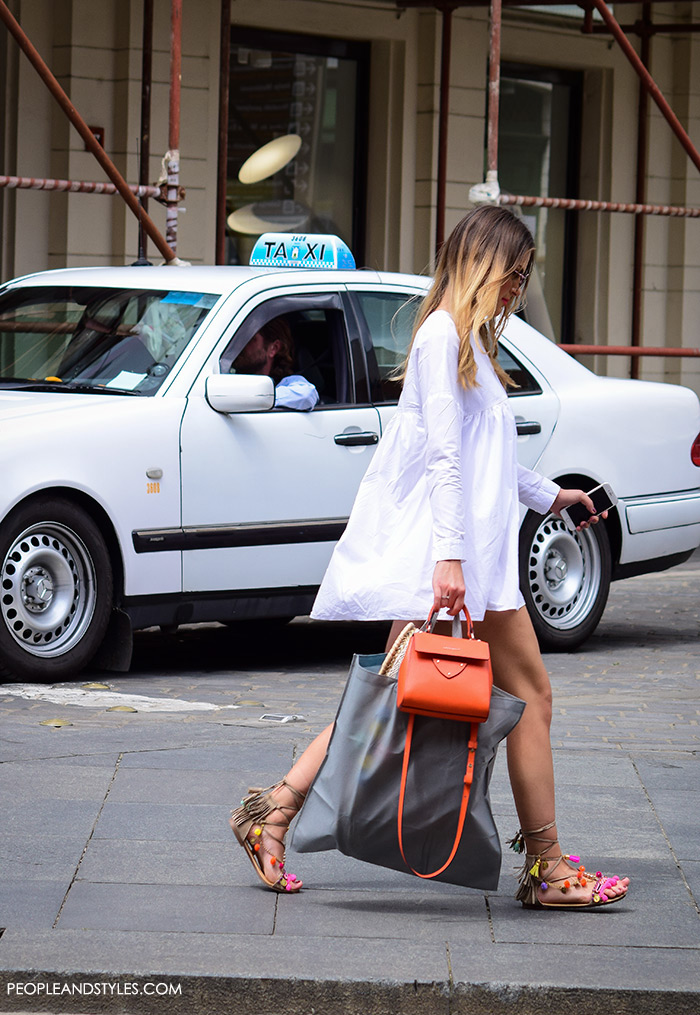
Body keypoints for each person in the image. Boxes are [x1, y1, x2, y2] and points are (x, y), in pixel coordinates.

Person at [230, 205, 630, 909]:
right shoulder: (444, 337)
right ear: (482, 263)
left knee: (388, 698)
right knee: (520, 695)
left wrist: (550, 495)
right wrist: (449, 563)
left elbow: (484, 457)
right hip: (460, 562)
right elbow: (443, 456)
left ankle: (275, 809)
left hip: (464, 558)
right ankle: (547, 866)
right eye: (514, 274)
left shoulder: (461, 339)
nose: (517, 290)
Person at [232, 316, 319, 411]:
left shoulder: (286, 384)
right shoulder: (225, 378)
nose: (240, 345)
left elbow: (306, 395)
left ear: (274, 348)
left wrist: (260, 398)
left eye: (249, 339)